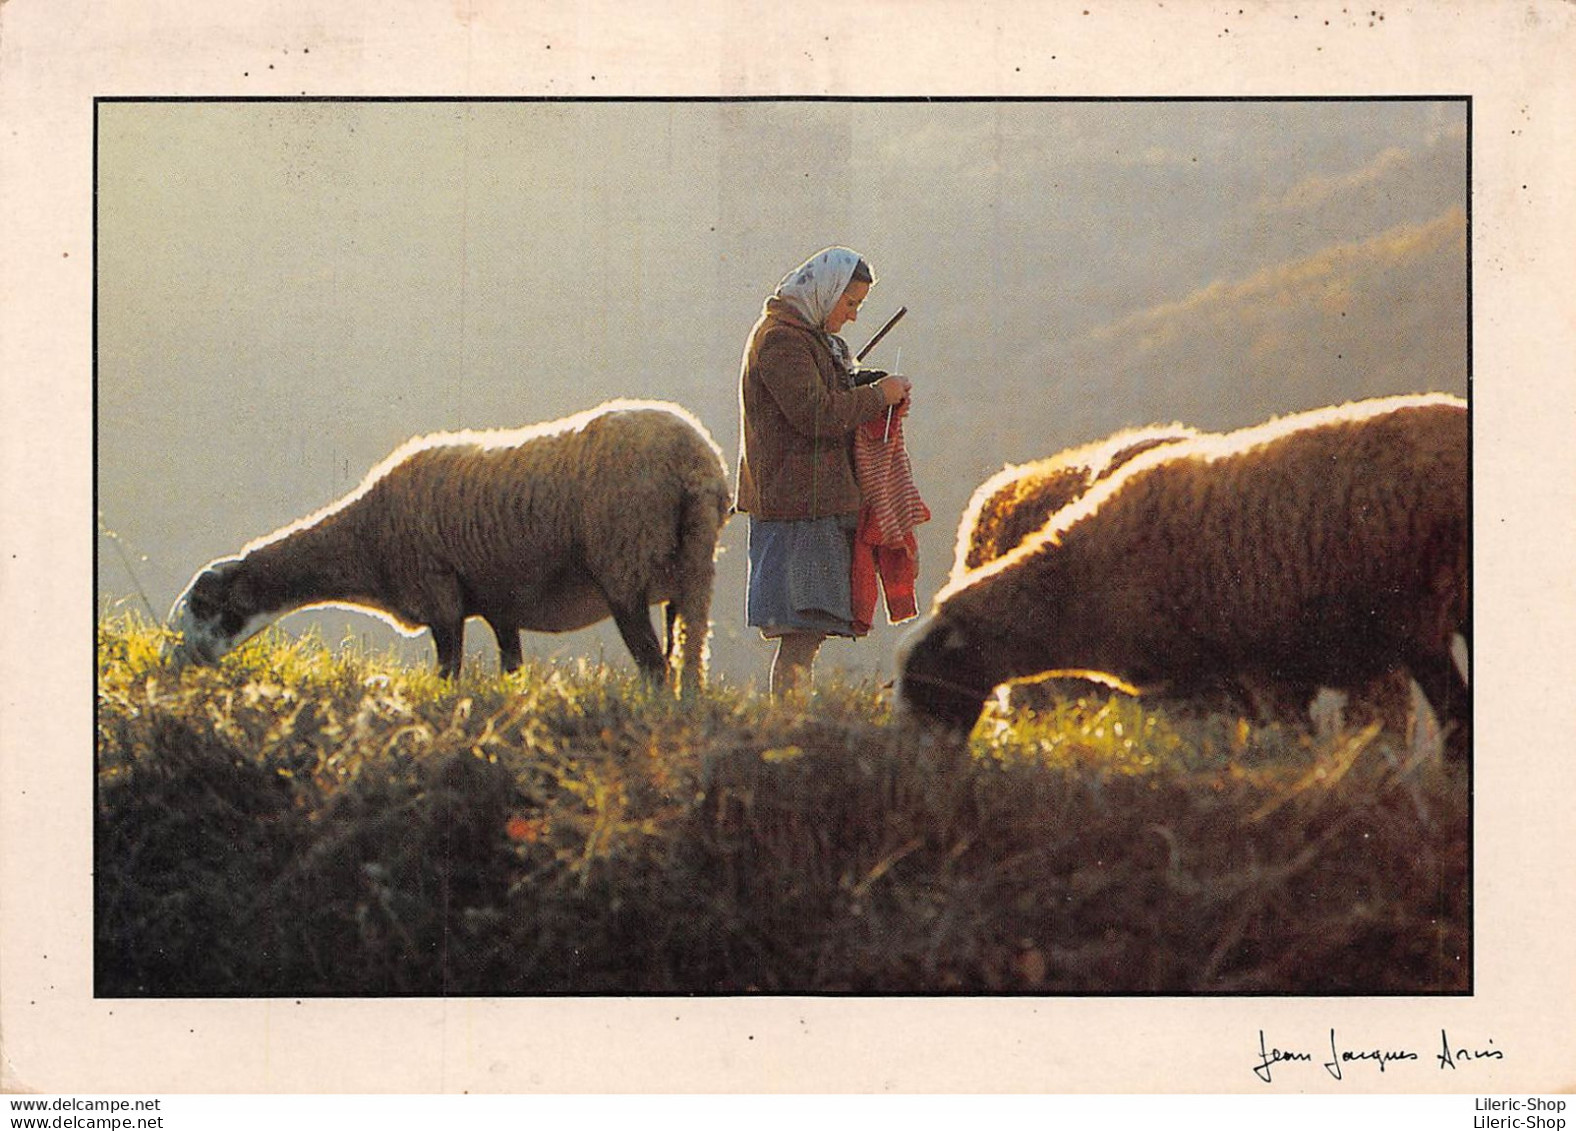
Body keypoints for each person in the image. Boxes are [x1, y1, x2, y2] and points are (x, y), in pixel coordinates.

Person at [734, 246, 912, 697]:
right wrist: (877, 398)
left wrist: (864, 385)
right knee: (801, 635)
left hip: (809, 505)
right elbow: (814, 413)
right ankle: (789, 724)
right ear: (826, 292)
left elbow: (824, 394)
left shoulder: (803, 337)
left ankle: (792, 720)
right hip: (797, 511)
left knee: (807, 635)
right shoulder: (782, 341)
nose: (852, 316)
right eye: (849, 303)